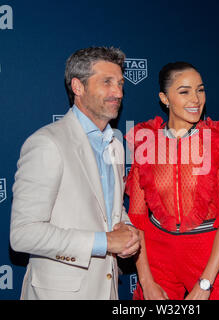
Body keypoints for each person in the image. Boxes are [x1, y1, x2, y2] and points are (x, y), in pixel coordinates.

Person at [125, 62, 219, 300]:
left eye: (200, 90)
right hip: (158, 257)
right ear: (164, 98)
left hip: (211, 256)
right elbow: (138, 220)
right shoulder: (146, 144)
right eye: (184, 91)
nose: (195, 99)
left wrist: (205, 283)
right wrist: (146, 281)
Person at [10, 46, 140, 300]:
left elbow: (109, 211)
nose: (118, 92)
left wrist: (128, 231)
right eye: (107, 82)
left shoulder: (115, 143)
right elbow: (23, 234)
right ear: (78, 87)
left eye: (120, 83)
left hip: (107, 290)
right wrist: (105, 242)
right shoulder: (48, 143)